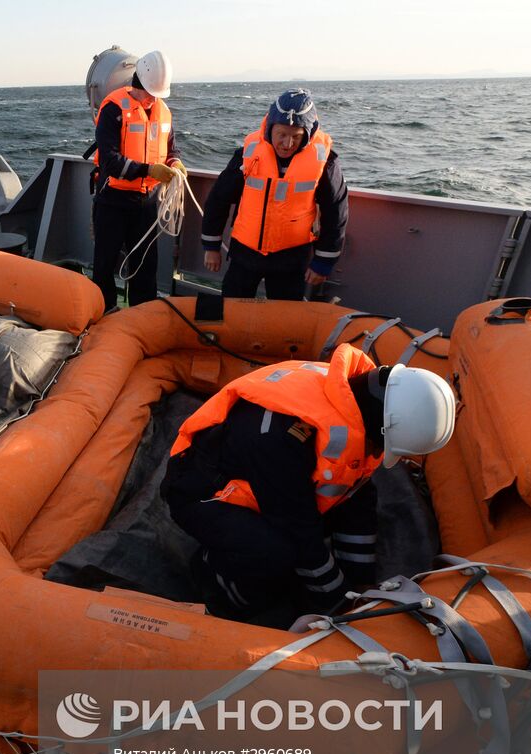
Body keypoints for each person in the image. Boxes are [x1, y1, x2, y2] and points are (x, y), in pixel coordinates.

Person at [160, 344, 456, 626]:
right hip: (203, 493)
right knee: (273, 553)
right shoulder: (281, 440)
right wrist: (338, 602)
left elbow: (356, 494)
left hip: (264, 479)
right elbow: (297, 528)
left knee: (348, 510)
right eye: (382, 446)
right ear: (383, 424)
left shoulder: (350, 400)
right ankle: (217, 584)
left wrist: (359, 584)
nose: (378, 454)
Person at [199, 88, 348, 308]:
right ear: (270, 129)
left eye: (296, 136)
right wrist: (211, 246)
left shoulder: (326, 163)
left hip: (291, 259)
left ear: (308, 134)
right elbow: (219, 198)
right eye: (282, 135)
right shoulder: (247, 155)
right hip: (244, 255)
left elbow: (336, 212)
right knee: (232, 312)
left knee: (286, 321)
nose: (287, 144)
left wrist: (323, 262)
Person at [91, 50, 185, 312]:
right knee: (105, 263)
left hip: (146, 203)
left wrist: (175, 164)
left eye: (158, 94)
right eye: (150, 92)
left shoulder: (163, 112)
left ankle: (141, 317)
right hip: (113, 199)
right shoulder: (113, 108)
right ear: (138, 83)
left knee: (145, 264)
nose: (153, 99)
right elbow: (109, 161)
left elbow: (171, 149)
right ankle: (104, 313)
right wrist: (149, 170)